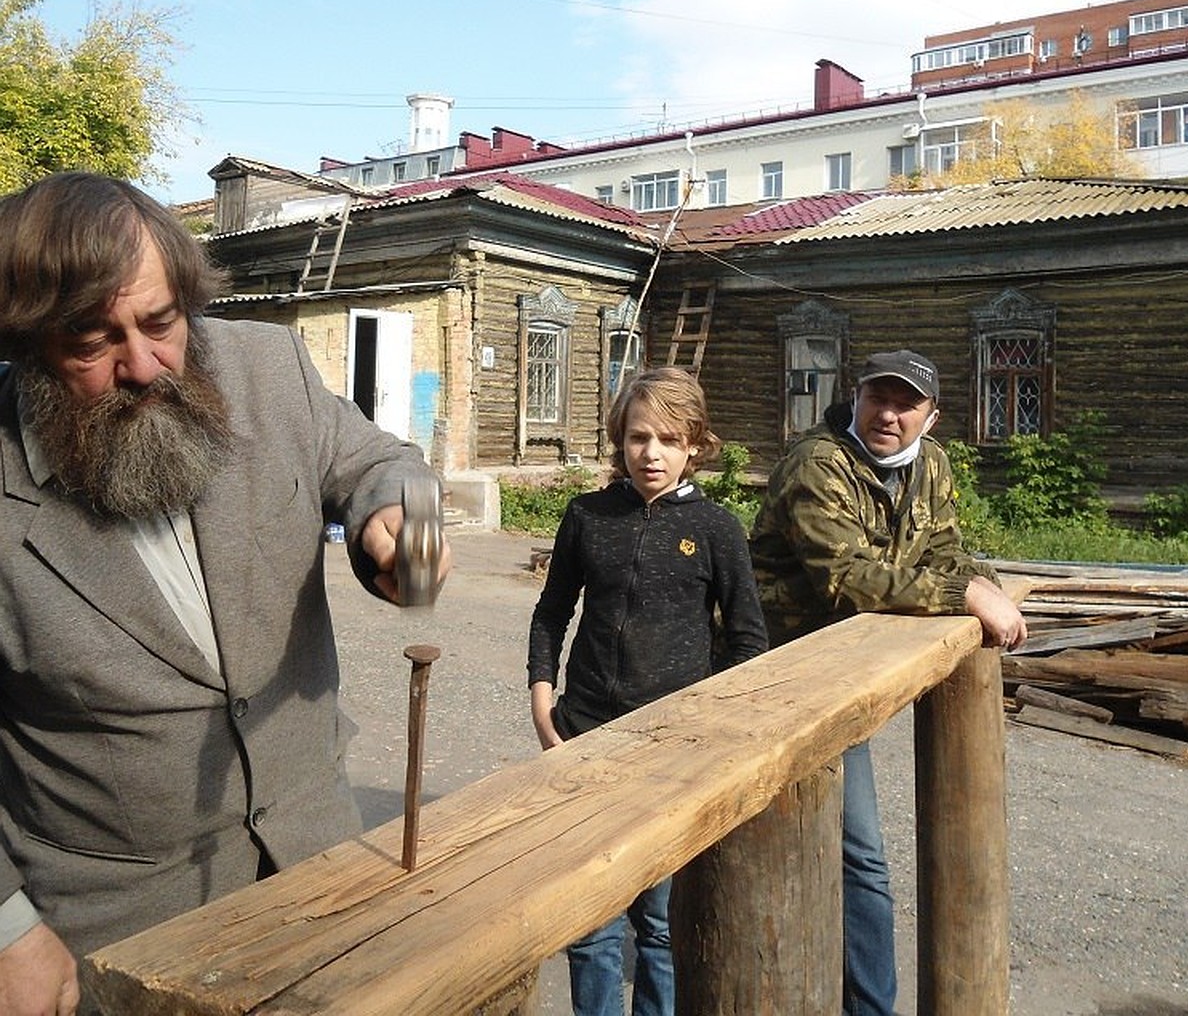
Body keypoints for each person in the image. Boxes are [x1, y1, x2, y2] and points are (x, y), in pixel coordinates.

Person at [0, 171, 450, 1016]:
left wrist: (405, 523)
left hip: (318, 871)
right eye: (91, 342)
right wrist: (4, 926)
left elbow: (381, 460)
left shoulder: (266, 365)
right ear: (26, 343)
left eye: (162, 324)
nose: (143, 367)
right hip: (114, 935)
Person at [749, 348, 1027, 1016]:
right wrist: (966, 593)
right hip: (774, 674)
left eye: (907, 404)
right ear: (858, 394)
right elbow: (848, 582)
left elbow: (942, 548)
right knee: (837, 856)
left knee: (843, 856)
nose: (890, 414)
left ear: (932, 417)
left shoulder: (930, 464)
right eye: (880, 396)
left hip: (840, 673)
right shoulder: (818, 463)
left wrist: (979, 580)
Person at [527, 366, 768, 1016]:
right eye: (638, 438)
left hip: (671, 756)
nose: (650, 453)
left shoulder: (716, 528)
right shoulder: (588, 516)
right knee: (590, 922)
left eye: (666, 438)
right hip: (584, 741)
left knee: (659, 926)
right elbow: (552, 611)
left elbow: (749, 641)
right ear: (619, 440)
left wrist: (714, 733)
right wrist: (542, 699)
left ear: (694, 443)